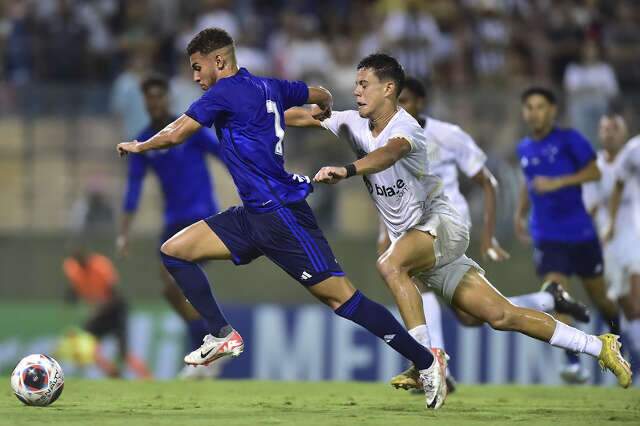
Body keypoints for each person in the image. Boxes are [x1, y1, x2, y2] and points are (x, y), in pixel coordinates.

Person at [117, 28, 447, 410]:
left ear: (219, 62)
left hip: (282, 215)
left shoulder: (223, 92)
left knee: (342, 299)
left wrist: (140, 145)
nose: (195, 78)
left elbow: (177, 133)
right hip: (254, 214)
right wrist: (322, 102)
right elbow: (318, 93)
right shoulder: (269, 86)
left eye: (197, 67)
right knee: (175, 251)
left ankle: (426, 361)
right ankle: (221, 334)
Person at [284, 53, 632, 392]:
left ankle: (425, 362)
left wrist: (347, 170)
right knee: (501, 315)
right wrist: (261, 111)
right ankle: (599, 346)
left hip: (441, 225)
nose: (356, 91)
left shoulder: (407, 128)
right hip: (419, 240)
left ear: (388, 89)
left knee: (390, 265)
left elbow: (388, 154)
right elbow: (301, 118)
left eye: (364, 84)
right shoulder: (353, 122)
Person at [383, 76, 590, 390]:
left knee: (412, 280)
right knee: (471, 317)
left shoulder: (447, 134)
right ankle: (548, 298)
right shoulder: (390, 138)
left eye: (407, 101)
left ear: (421, 102)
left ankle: (434, 370)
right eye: (398, 102)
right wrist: (385, 233)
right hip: (414, 226)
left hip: (445, 224)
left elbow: (487, 182)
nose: (402, 108)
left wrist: (488, 235)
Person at [117, 75, 223, 379]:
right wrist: (124, 232)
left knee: (174, 280)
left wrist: (251, 184)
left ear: (167, 99)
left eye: (159, 96)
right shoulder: (144, 141)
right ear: (145, 102)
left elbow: (222, 154)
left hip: (201, 216)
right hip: (172, 221)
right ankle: (210, 344)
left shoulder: (187, 130)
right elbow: (133, 189)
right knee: (169, 290)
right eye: (149, 98)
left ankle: (210, 346)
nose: (155, 102)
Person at [514, 87, 622, 383]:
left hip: (581, 233)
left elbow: (594, 173)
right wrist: (519, 213)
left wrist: (560, 181)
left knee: (601, 298)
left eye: (540, 106)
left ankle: (619, 339)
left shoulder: (569, 140)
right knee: (556, 294)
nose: (534, 112)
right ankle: (572, 362)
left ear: (552, 111)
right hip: (548, 235)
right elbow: (529, 182)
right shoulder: (523, 147)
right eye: (529, 107)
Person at [62, 249, 151, 379]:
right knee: (88, 345)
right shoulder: (73, 269)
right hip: (101, 314)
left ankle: (147, 377)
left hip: (116, 311)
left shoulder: (100, 266)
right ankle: (112, 373)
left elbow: (113, 294)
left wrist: (97, 311)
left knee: (123, 353)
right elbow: (74, 292)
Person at [598, 118, 640, 373]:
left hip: (636, 235)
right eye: (605, 129)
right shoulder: (634, 152)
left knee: (636, 301)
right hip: (611, 243)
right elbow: (618, 185)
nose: (610, 135)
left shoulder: (630, 152)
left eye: (615, 129)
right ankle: (629, 351)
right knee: (623, 304)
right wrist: (610, 223)